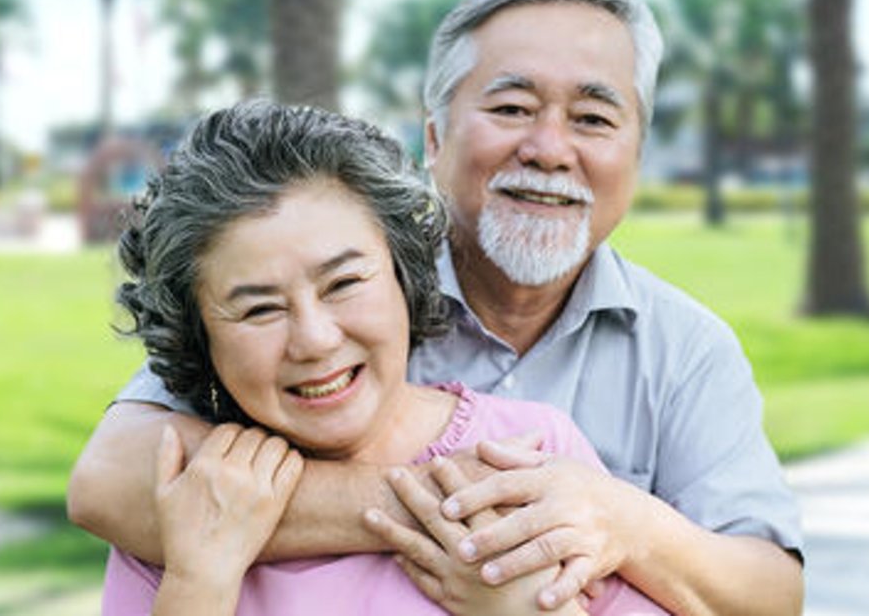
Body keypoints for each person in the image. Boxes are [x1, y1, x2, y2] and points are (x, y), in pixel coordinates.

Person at [70, 0, 804, 615]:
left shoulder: (685, 351)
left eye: (592, 119)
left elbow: (769, 596)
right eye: (512, 108)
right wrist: (473, 511)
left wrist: (620, 519)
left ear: (636, 156)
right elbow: (113, 480)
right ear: (433, 137)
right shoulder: (331, 282)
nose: (549, 148)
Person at [101, 100, 663, 615]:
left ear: (404, 274)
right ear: (198, 337)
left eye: (344, 282)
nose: (315, 340)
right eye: (259, 310)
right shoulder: (194, 497)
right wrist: (199, 583)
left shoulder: (532, 455)